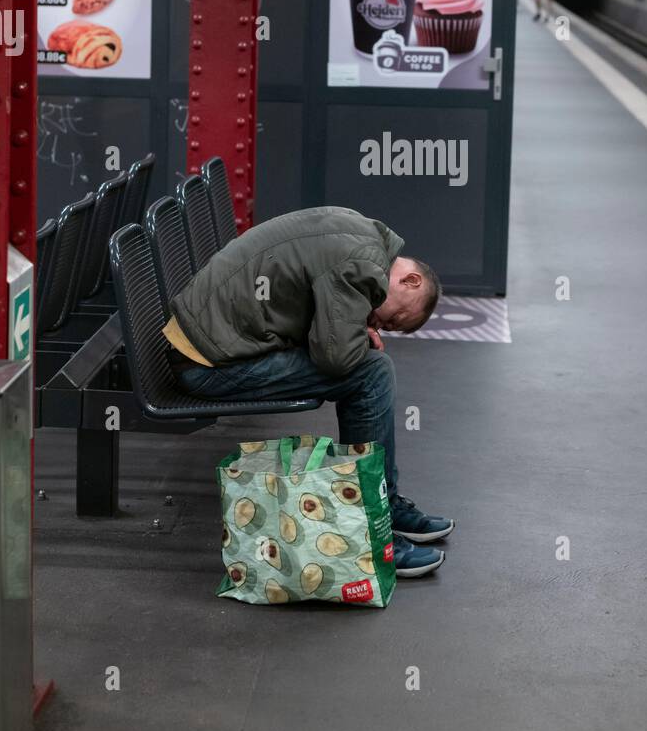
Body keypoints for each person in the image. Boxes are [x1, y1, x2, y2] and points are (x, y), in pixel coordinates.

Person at [164, 205, 452, 577]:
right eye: (395, 318)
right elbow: (336, 359)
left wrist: (351, 330)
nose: (383, 324)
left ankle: (382, 502)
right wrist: (354, 337)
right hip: (209, 365)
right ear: (410, 281)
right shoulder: (363, 264)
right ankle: (372, 524)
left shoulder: (363, 233)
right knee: (372, 373)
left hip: (206, 344)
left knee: (370, 367)